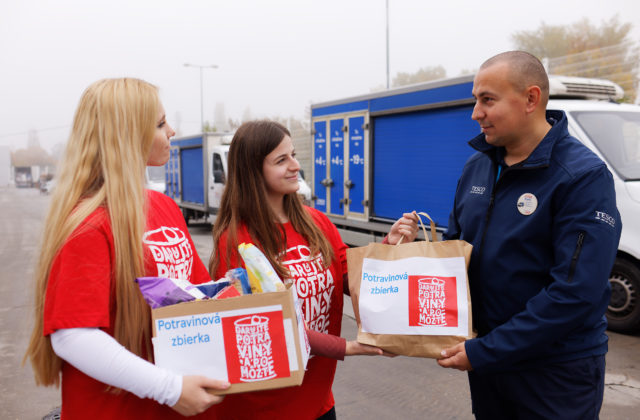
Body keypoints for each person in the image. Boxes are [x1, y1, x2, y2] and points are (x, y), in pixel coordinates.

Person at [23, 78, 230, 419]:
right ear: (128, 135)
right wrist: (170, 389)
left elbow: (198, 296)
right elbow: (72, 335)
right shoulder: (89, 224)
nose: (172, 131)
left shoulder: (164, 206)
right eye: (161, 124)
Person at [437, 51, 622, 419]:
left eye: (487, 100)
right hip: (490, 362)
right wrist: (409, 252)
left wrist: (488, 349)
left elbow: (575, 292)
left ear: (531, 99)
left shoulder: (582, 177)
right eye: (476, 100)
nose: (476, 113)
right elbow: (453, 252)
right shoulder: (477, 167)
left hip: (556, 370)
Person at [208, 120, 419, 419]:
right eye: (281, 160)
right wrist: (346, 347)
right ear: (253, 170)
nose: (295, 165)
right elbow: (267, 327)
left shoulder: (315, 222)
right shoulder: (236, 240)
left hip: (319, 400)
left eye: (293, 154)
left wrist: (389, 244)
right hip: (263, 407)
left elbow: (349, 277)